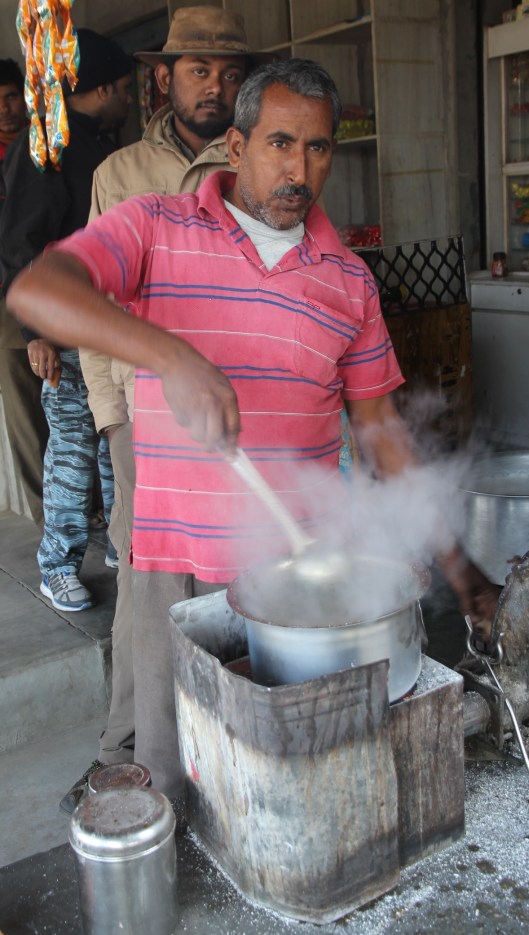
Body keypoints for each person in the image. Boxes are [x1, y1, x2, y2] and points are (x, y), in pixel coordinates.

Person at [8, 58, 499, 801]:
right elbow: (38, 289)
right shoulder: (156, 225)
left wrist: (462, 571)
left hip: (294, 575)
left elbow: (382, 434)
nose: (299, 170)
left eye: (318, 147)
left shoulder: (349, 282)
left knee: (285, 785)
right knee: (181, 779)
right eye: (279, 144)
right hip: (175, 570)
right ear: (236, 148)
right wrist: (171, 355)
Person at [77, 6, 265, 786]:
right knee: (146, 590)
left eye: (229, 73)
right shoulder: (119, 175)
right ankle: (131, 753)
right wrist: (110, 416)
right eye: (198, 70)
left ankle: (226, 750)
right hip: (144, 418)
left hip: (237, 411)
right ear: (164, 77)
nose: (213, 86)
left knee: (233, 579)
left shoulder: (260, 167)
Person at [0, 29, 132, 612]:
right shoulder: (48, 145)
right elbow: (19, 246)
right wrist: (38, 333)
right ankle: (56, 563)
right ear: (100, 89)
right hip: (65, 328)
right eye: (123, 88)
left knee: (113, 440)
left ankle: (118, 543)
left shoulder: (99, 143)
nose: (128, 99)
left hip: (107, 326)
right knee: (73, 449)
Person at [0, 58, 48, 528]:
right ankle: (45, 510)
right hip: (6, 303)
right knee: (25, 410)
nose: (4, 108)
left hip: (55, 289)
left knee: (71, 398)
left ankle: (83, 501)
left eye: (11, 97)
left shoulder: (47, 146)